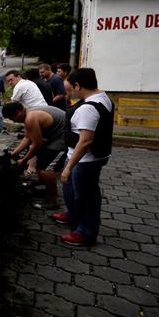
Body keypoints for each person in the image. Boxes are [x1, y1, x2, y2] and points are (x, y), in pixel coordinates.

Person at [54, 68, 114, 247]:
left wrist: (68, 167)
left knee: (86, 197)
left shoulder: (88, 108)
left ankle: (86, 233)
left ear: (78, 85)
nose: (70, 93)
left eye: (71, 89)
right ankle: (73, 215)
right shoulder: (103, 97)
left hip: (84, 160)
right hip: (90, 157)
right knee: (71, 190)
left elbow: (86, 140)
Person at [2, 101, 66, 208]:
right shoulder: (28, 113)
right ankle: (42, 184)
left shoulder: (30, 118)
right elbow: (27, 138)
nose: (13, 121)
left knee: (45, 167)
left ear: (18, 112)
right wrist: (14, 153)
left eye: (12, 118)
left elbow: (37, 144)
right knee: (40, 161)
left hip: (64, 136)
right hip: (55, 134)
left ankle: (52, 200)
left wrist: (24, 160)